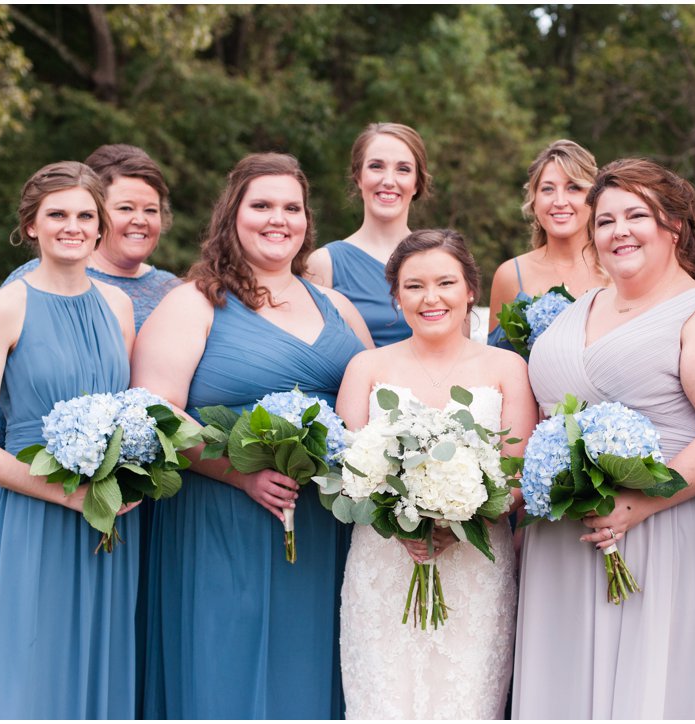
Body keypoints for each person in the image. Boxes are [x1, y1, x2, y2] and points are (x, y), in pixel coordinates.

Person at [513, 158, 695, 718]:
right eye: (605, 221)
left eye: (637, 215)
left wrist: (641, 503)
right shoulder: (576, 310)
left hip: (670, 529)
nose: (618, 231)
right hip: (566, 542)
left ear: (674, 226)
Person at [132, 153, 371, 719]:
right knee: (226, 661)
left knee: (314, 659)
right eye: (261, 205)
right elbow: (154, 408)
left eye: (291, 207)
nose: (277, 219)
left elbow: (379, 395)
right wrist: (238, 473)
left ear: (307, 221)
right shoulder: (196, 302)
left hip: (320, 521)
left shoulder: (335, 305)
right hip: (222, 513)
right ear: (231, 215)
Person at [0, 144, 181, 719]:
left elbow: (135, 411)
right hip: (36, 514)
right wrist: (67, 494)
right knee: (32, 670)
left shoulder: (120, 309)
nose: (72, 227)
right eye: (57, 215)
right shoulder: (5, 307)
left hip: (109, 521)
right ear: (30, 225)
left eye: (84, 216)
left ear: (100, 228)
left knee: (101, 668)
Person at [335, 229, 537, 719]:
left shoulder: (508, 368)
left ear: (470, 289)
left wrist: (455, 522)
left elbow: (516, 477)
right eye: (414, 286)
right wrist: (395, 519)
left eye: (446, 283)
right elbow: (345, 470)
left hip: (475, 570)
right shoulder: (366, 367)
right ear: (396, 296)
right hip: (383, 567)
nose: (431, 298)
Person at [304, 122, 432, 346]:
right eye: (376, 166)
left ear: (417, 183)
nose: (389, 181)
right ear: (358, 177)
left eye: (403, 169)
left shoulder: (443, 260)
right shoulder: (324, 264)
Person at [487, 139, 608, 348]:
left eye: (573, 188)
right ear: (534, 201)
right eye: (548, 189)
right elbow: (496, 363)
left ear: (593, 199)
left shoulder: (617, 269)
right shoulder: (510, 274)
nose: (560, 201)